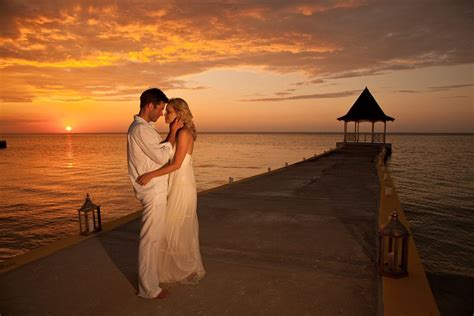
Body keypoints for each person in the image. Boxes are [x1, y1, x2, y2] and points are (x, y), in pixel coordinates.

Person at [136, 98, 206, 284]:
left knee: (175, 227)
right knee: (172, 228)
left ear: (180, 114)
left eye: (169, 112)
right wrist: (171, 132)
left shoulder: (184, 133)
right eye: (165, 111)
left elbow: (175, 164)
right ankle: (172, 268)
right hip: (176, 181)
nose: (165, 115)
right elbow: (164, 152)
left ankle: (182, 269)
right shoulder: (178, 132)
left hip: (182, 183)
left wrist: (151, 174)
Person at [127, 88, 183, 299]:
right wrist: (173, 133)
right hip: (152, 190)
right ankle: (148, 289)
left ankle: (150, 280)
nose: (161, 114)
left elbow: (156, 154)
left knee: (154, 238)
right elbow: (161, 157)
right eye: (160, 109)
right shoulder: (140, 130)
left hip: (155, 188)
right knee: (150, 240)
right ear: (149, 106)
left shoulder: (145, 129)